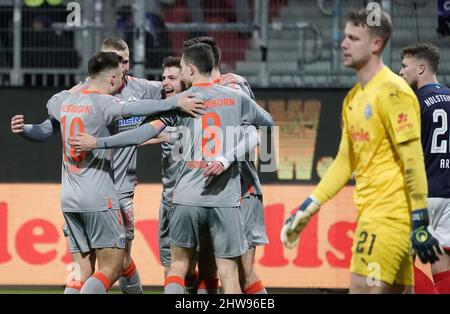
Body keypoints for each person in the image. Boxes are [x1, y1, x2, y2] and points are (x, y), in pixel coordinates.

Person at [70, 43, 273, 294]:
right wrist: (233, 148)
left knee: (177, 265)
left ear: (189, 68)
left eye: (177, 72)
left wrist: (98, 142)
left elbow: (141, 133)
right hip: (225, 198)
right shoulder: (236, 97)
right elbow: (266, 125)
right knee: (229, 273)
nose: (168, 80)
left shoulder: (181, 103)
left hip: (185, 196)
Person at [280, 8, 443, 294]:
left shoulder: (394, 92)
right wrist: (309, 206)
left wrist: (420, 220)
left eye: (353, 38)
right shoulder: (353, 99)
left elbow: (413, 158)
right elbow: (345, 162)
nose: (343, 43)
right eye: (344, 36)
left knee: (361, 288)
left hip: (388, 220)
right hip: (374, 217)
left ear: (376, 44)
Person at [183, 36, 268, 294]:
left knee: (242, 273)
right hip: (209, 192)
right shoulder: (195, 94)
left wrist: (226, 158)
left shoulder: (236, 88)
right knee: (210, 269)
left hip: (241, 191)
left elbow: (258, 130)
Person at [400, 42, 450, 294]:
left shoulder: (414, 102)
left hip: (423, 194)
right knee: (443, 267)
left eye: (404, 66)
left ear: (421, 68)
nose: (400, 72)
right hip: (448, 194)